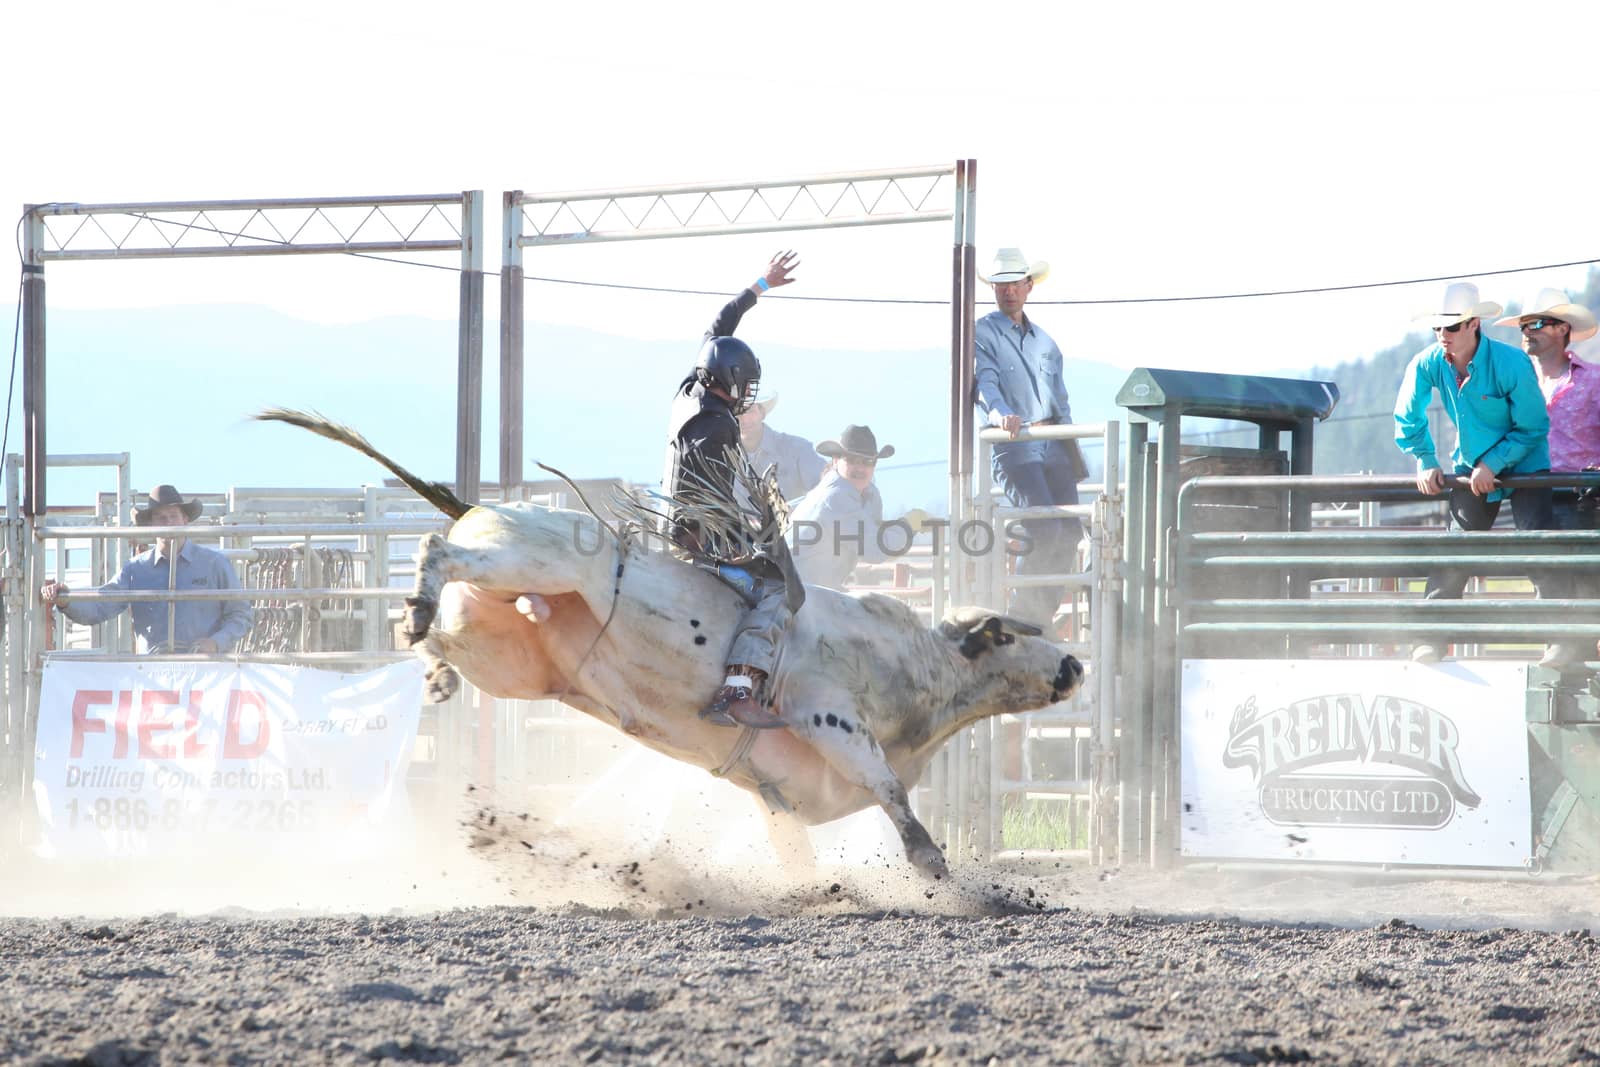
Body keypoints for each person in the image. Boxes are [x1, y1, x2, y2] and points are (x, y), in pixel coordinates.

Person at [664, 252, 805, 729]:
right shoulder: (717, 429)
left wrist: (761, 285)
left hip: (677, 522)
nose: (747, 395)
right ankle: (739, 685)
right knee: (777, 588)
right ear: (733, 383)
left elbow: (721, 324)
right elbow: (713, 502)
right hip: (698, 541)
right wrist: (753, 538)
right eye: (746, 386)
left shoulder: (691, 386)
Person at [1393, 282, 1555, 665]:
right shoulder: (1428, 363)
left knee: (1537, 546)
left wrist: (1493, 463)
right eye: (1437, 328)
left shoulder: (1511, 363)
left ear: (1473, 325)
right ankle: (1430, 637)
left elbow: (1533, 427)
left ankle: (1560, 638)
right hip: (1470, 467)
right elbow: (1407, 415)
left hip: (1526, 464)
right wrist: (1425, 459)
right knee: (1455, 549)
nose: (1442, 335)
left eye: (1451, 327)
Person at [972, 247, 1087, 627]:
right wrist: (999, 413)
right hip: (1014, 444)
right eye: (1000, 285)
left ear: (1028, 286)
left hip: (1052, 441)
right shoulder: (982, 333)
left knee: (1069, 530)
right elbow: (984, 382)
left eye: (1013, 284)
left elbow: (1061, 399)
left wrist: (1073, 454)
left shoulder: (1047, 343)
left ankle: (1039, 616)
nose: (1007, 292)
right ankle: (1024, 613)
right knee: (1046, 525)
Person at [1493, 288, 1600, 666]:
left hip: (1580, 492)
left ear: (1562, 329)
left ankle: (1572, 646)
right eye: (1523, 324)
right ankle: (1561, 642)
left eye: (1536, 323)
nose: (1527, 332)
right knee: (1542, 565)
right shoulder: (1510, 383)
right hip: (1529, 489)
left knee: (1580, 574)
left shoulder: (1594, 380)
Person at [41, 484, 252, 654]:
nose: (167, 523)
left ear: (185, 520)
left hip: (203, 672)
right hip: (154, 675)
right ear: (150, 524)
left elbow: (240, 614)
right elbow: (101, 606)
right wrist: (66, 600)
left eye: (173, 516)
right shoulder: (136, 569)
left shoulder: (214, 564)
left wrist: (215, 643)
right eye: (161, 517)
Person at [788, 425, 900, 590]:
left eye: (868, 461)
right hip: (797, 592)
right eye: (852, 460)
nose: (860, 468)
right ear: (835, 460)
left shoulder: (867, 494)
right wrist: (907, 527)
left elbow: (871, 534)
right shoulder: (836, 497)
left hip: (812, 589)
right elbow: (875, 549)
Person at [738, 388, 826, 503]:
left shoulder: (797, 449)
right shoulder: (718, 457)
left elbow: (825, 491)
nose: (744, 419)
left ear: (762, 413)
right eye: (737, 412)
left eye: (750, 411)